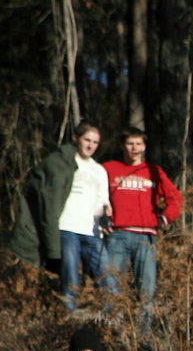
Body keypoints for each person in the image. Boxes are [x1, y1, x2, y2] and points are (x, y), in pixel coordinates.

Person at [11, 121, 116, 309]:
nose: (91, 145)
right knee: (71, 282)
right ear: (76, 139)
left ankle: (112, 324)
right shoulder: (61, 163)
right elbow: (46, 194)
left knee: (108, 280)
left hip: (92, 232)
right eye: (87, 140)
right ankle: (70, 323)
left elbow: (102, 200)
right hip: (67, 229)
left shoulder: (99, 170)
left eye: (95, 142)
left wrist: (106, 211)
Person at [103, 129, 183, 335]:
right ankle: (115, 335)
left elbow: (175, 198)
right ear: (123, 146)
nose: (134, 148)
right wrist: (102, 215)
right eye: (130, 144)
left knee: (146, 289)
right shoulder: (109, 169)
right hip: (117, 235)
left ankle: (143, 336)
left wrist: (164, 218)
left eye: (138, 144)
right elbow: (93, 194)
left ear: (144, 146)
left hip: (146, 237)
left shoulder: (153, 170)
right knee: (112, 287)